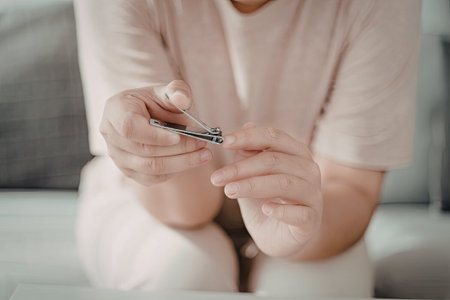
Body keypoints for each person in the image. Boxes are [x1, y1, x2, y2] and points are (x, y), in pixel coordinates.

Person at [74, 0, 421, 297]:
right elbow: (185, 209)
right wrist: (157, 150)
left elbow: (351, 187)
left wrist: (303, 229)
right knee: (183, 270)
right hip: (152, 201)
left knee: (312, 290)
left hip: (323, 212)